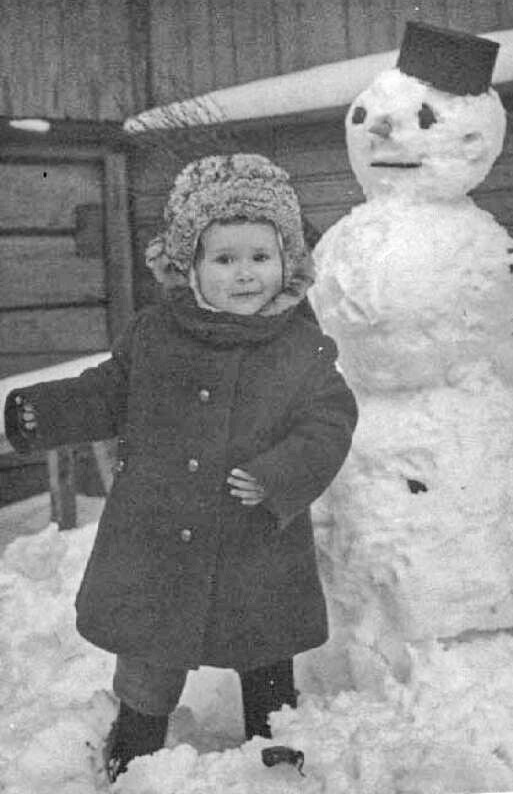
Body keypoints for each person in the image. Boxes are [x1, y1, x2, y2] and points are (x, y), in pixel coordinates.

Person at [5, 153, 358, 782]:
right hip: (159, 534)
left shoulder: (301, 345)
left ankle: (273, 742)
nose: (245, 274)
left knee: (265, 649)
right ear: (189, 267)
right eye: (224, 260)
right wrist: (45, 414)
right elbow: (108, 391)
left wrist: (282, 474)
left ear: (288, 263)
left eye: (260, 257)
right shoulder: (155, 335)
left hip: (256, 535)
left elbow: (330, 420)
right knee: (149, 648)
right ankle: (137, 741)